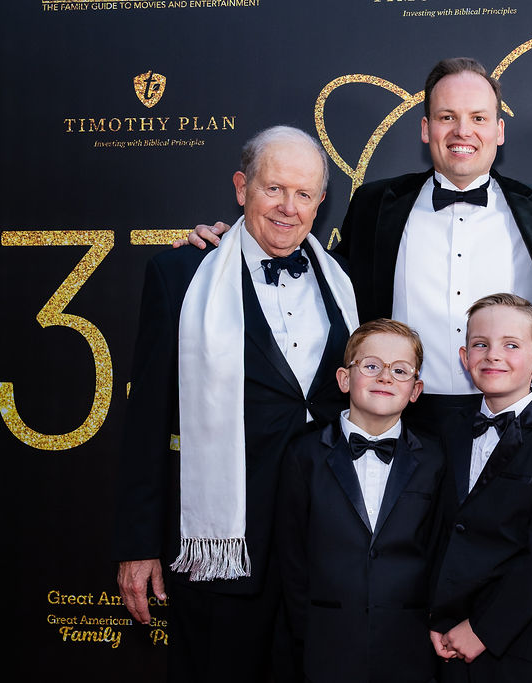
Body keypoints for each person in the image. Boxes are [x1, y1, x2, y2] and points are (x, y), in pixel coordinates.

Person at [184, 57, 532, 438]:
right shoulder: (375, 205)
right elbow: (318, 278)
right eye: (447, 117)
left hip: (518, 422)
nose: (463, 131)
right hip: (401, 423)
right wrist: (239, 241)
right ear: (426, 128)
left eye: (478, 118)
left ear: (499, 130)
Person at [113, 125, 358, 682]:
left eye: (304, 194)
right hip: (223, 547)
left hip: (321, 550)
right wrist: (138, 544)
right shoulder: (183, 275)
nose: (288, 207)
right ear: (242, 187)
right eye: (274, 189)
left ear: (321, 202)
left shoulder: (345, 280)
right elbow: (147, 419)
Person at [429, 293, 532, 683]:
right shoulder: (446, 430)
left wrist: (484, 628)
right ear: (464, 356)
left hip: (516, 642)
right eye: (480, 344)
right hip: (444, 635)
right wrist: (436, 616)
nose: (493, 356)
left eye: (511, 345)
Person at [276, 319, 445, 682]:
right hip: (326, 644)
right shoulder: (304, 454)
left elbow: (438, 548)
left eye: (400, 370)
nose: (385, 377)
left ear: (415, 390)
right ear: (344, 378)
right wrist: (307, 628)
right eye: (371, 366)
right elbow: (291, 554)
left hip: (409, 645)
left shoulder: (434, 459)